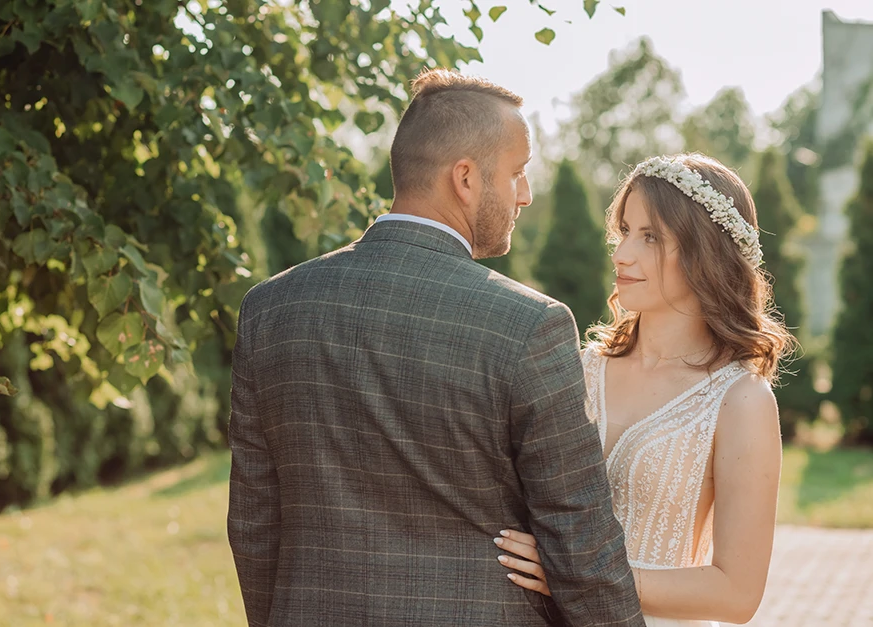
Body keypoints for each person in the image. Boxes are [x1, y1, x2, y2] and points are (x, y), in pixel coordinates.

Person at [227, 68, 645, 626]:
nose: (525, 194)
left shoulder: (269, 308)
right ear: (465, 178)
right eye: (517, 173)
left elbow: (255, 520)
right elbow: (578, 534)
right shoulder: (528, 324)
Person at [493, 153, 794, 626]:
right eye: (625, 231)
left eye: (650, 236)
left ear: (705, 252)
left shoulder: (741, 401)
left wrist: (581, 577)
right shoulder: (577, 369)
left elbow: (737, 594)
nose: (621, 254)